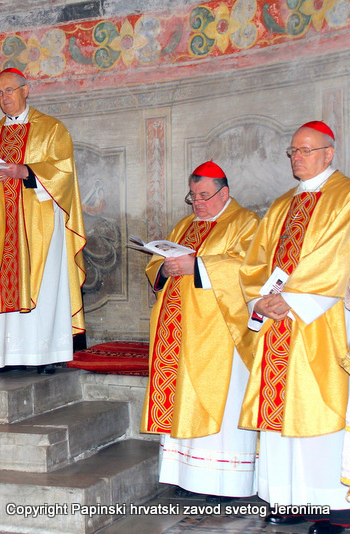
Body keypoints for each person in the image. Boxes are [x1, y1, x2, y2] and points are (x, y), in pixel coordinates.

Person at [240, 121, 350, 534]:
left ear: (328, 153)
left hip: (322, 319)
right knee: (281, 411)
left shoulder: (345, 196)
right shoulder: (283, 203)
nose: (296, 158)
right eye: (293, 151)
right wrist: (259, 299)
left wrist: (294, 298)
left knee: (317, 407)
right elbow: (256, 259)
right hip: (279, 323)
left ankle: (334, 508)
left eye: (305, 150)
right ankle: (291, 498)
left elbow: (336, 257)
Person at [139, 161, 259, 500]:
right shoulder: (185, 225)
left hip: (219, 335)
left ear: (225, 193)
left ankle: (222, 483)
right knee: (182, 400)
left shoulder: (245, 222)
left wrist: (198, 266)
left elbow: (251, 268)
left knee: (219, 402)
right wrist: (164, 268)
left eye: (204, 195)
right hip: (178, 329)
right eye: (193, 196)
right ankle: (185, 477)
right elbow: (158, 263)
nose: (198, 203)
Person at [0, 67, 86, 374]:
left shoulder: (52, 129)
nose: (4, 98)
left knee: (44, 284)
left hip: (40, 226)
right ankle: (6, 357)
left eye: (9, 90)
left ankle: (46, 355)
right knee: (4, 283)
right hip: (1, 227)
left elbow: (64, 172)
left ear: (26, 91)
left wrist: (25, 171)